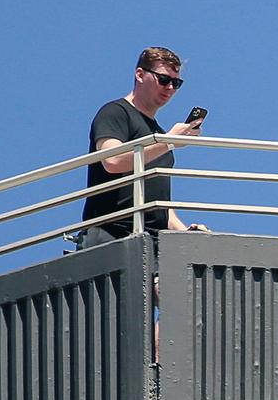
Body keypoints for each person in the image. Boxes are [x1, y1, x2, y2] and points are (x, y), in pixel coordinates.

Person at [80, 46, 207, 248]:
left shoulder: (160, 135)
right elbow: (112, 161)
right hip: (111, 236)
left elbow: (162, 206)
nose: (170, 88)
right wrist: (169, 141)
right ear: (140, 74)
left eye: (176, 83)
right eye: (164, 80)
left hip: (153, 244)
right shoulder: (116, 112)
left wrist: (185, 233)